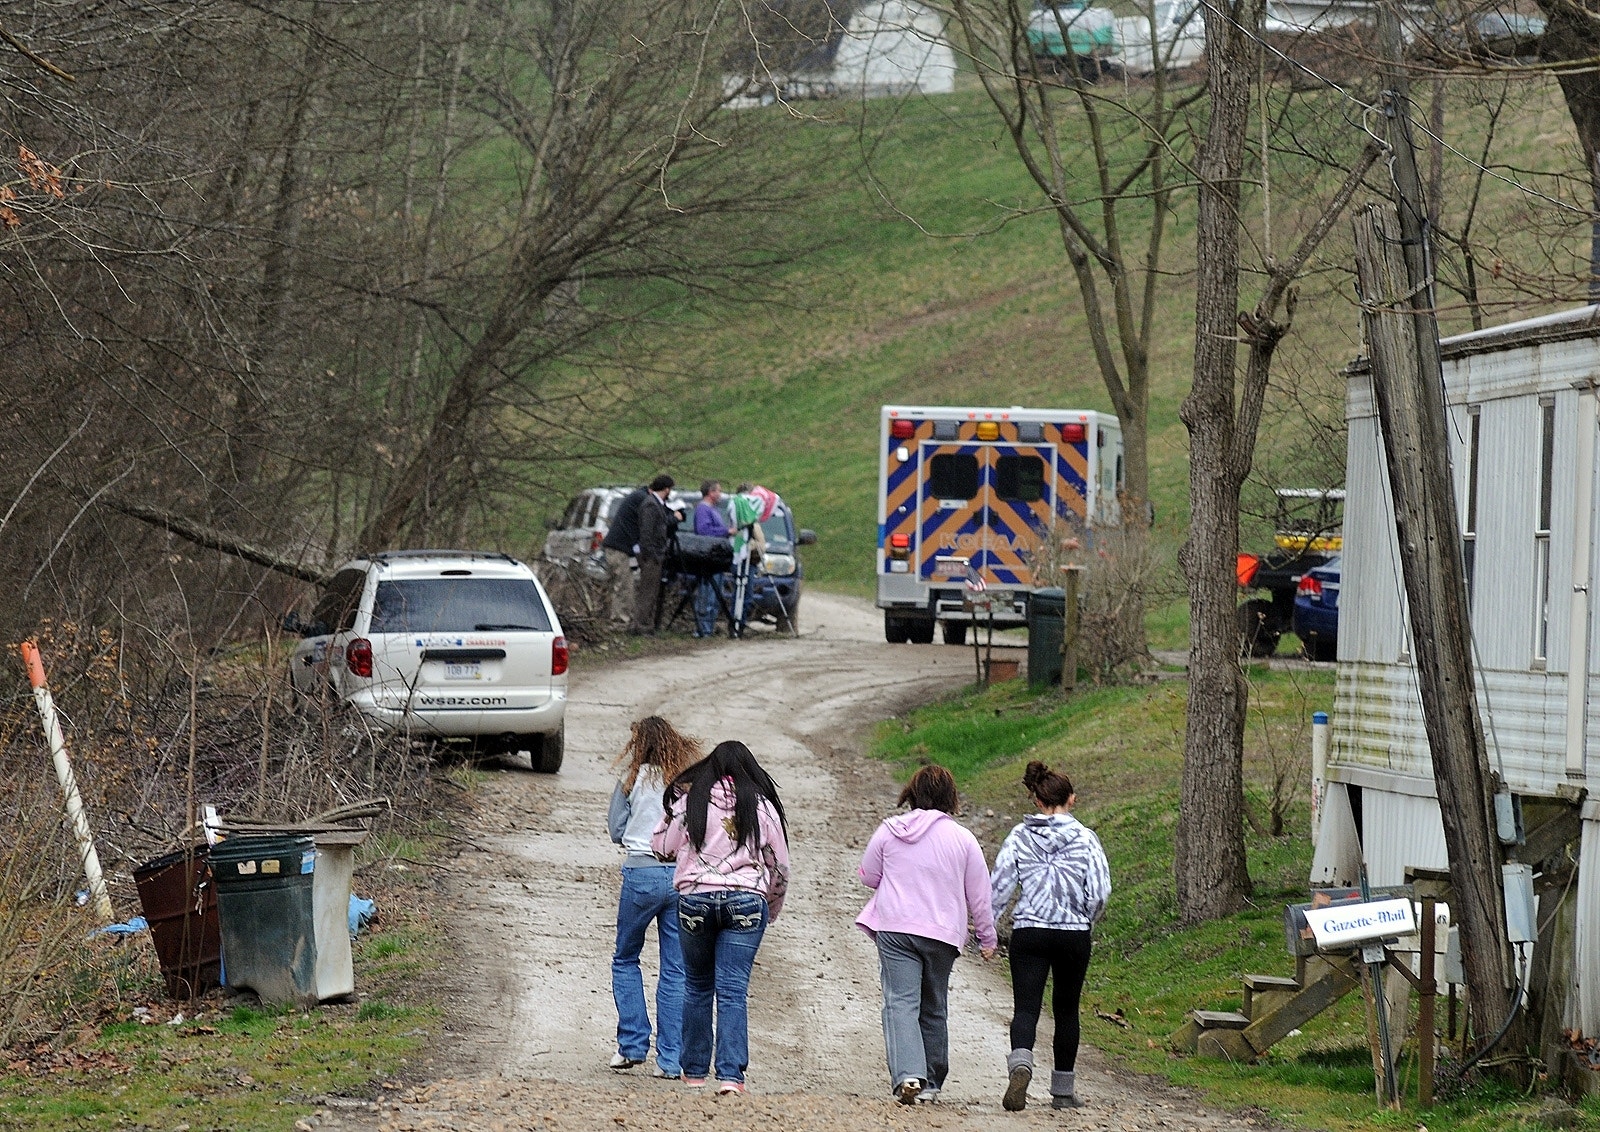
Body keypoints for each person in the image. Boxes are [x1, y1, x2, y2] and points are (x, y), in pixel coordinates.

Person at [651, 741, 790, 1095]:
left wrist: (674, 816)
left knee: (697, 985)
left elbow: (661, 847)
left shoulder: (691, 801)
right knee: (732, 991)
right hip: (746, 901)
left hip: (695, 900)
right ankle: (730, 1076)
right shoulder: (762, 807)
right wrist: (770, 907)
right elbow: (779, 867)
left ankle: (694, 1071)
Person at [856, 765, 997, 1106]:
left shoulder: (889, 831)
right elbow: (980, 894)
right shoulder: (963, 839)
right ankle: (932, 1083)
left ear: (912, 793)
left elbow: (868, 876)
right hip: (942, 934)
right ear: (952, 797)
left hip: (896, 928)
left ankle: (908, 1075)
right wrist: (987, 938)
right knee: (934, 1007)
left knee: (900, 1002)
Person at [989, 761, 1111, 1112]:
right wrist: (1085, 919)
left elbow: (1000, 886)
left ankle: (1022, 1064)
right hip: (1072, 934)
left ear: (1036, 800)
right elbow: (1101, 891)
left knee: (1026, 1007)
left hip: (1030, 931)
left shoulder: (1019, 836)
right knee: (1067, 1011)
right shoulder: (1087, 839)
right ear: (1072, 799)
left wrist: (988, 928)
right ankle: (1062, 1091)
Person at [606, 717, 702, 1079]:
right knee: (675, 968)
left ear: (638, 746)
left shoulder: (631, 780)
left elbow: (616, 829)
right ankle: (671, 1059)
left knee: (626, 957)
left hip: (641, 873)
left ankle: (632, 1044)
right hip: (680, 876)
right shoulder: (688, 785)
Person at [630, 474, 674, 635]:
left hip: (654, 554)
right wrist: (652, 554)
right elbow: (647, 533)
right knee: (647, 592)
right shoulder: (650, 505)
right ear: (666, 489)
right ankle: (641, 625)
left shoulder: (656, 504)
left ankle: (644, 624)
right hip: (651, 555)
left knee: (651, 591)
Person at [600, 486, 647, 627]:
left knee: (617, 584)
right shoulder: (642, 499)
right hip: (619, 550)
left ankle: (611, 618)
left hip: (615, 548)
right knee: (623, 585)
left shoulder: (636, 497)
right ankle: (620, 620)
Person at [692, 481, 730, 638]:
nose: (720, 494)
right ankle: (702, 628)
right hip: (708, 559)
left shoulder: (714, 510)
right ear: (710, 492)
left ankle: (709, 627)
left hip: (717, 560)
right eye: (718, 491)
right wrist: (726, 531)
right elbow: (704, 530)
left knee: (715, 595)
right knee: (706, 594)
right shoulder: (703, 509)